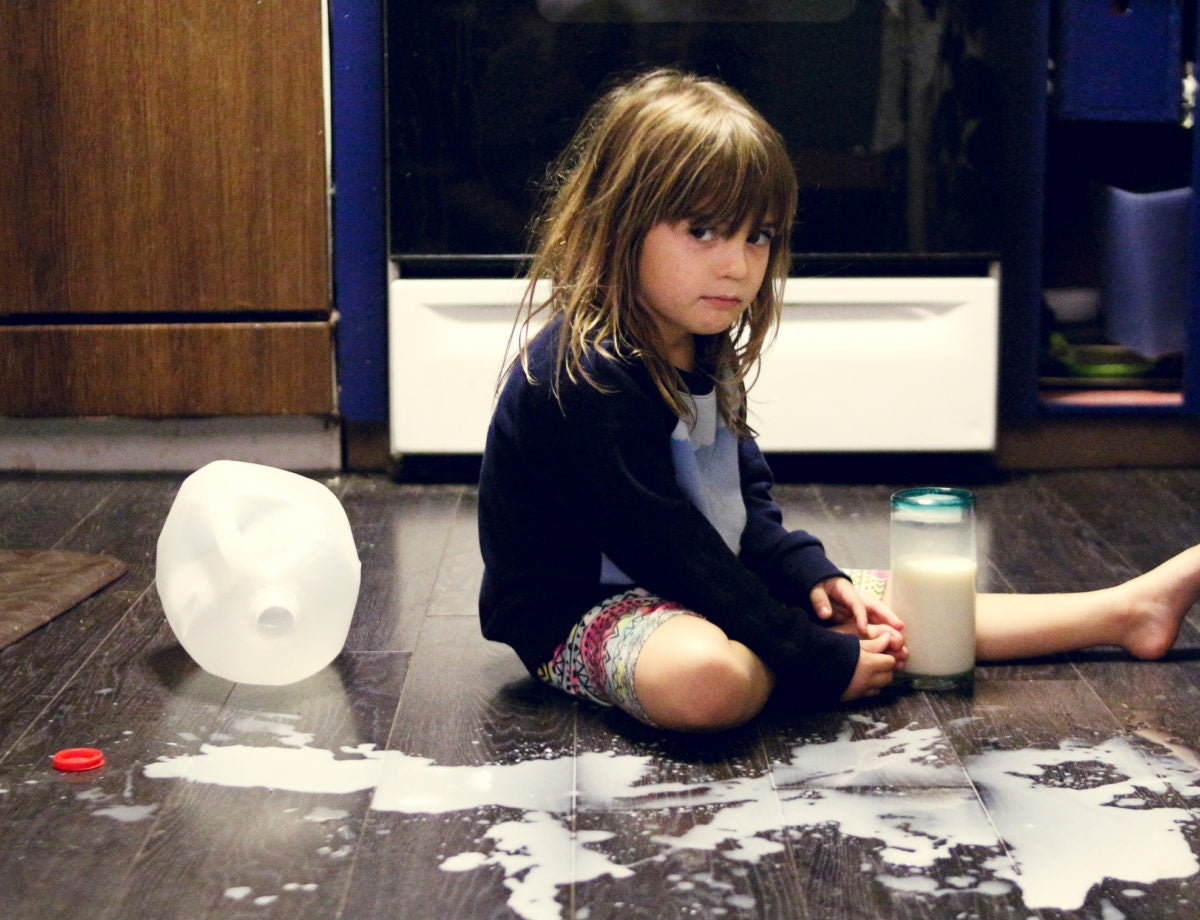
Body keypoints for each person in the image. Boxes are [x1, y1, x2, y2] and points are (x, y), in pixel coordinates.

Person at [476, 68, 1200, 733]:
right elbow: (671, 550)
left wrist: (810, 576)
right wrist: (808, 653)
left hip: (699, 583)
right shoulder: (585, 375)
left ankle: (1126, 611)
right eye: (703, 231)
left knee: (888, 603)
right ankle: (785, 654)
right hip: (582, 610)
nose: (738, 264)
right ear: (619, 223)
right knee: (707, 679)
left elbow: (742, 511)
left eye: (757, 237)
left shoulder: (698, 341)